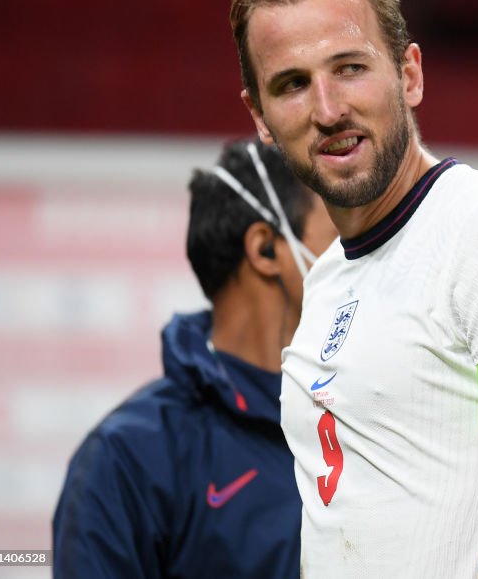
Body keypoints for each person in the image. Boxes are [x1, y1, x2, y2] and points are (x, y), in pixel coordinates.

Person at [230, 0, 478, 578]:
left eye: (349, 68)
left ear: (410, 74)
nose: (327, 110)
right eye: (292, 85)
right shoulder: (325, 281)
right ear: (260, 118)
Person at [52, 138, 337, 578]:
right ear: (264, 249)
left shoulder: (366, 420)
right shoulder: (126, 458)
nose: (360, 255)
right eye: (340, 230)